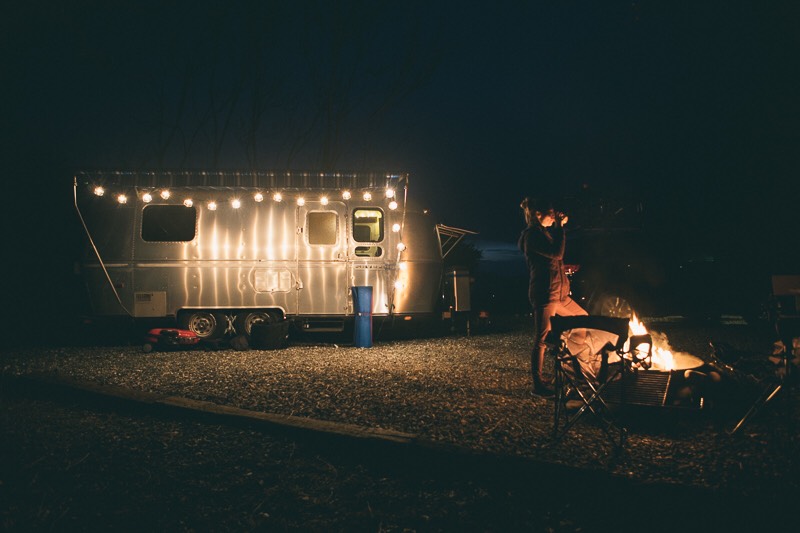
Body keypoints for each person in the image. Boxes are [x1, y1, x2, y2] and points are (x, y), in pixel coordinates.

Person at [518, 197, 588, 397]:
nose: (554, 214)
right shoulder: (531, 236)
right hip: (545, 293)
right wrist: (559, 227)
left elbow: (553, 260)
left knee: (583, 320)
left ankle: (564, 368)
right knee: (540, 338)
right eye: (551, 212)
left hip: (559, 293)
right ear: (538, 214)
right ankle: (538, 385)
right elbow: (557, 254)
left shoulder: (544, 234)